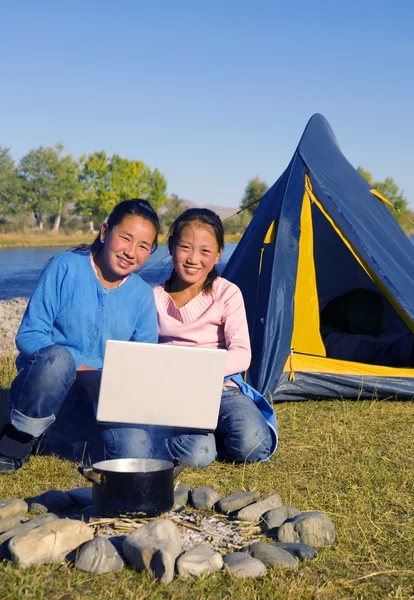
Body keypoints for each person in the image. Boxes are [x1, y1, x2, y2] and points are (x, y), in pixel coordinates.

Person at [0, 199, 160, 474]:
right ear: (105, 231)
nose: (131, 252)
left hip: (99, 400)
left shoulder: (143, 296)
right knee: (58, 359)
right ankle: (17, 440)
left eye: (143, 246)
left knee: (135, 450)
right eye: (125, 238)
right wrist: (80, 369)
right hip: (44, 387)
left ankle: (52, 440)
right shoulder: (64, 267)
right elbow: (29, 335)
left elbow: (143, 360)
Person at [151, 208, 278, 467]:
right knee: (199, 454)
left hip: (221, 390)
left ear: (218, 254)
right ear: (171, 246)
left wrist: (198, 368)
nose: (193, 259)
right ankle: (190, 438)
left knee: (252, 443)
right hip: (176, 393)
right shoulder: (153, 298)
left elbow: (242, 354)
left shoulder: (227, 293)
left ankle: (217, 432)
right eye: (185, 247)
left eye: (205, 252)